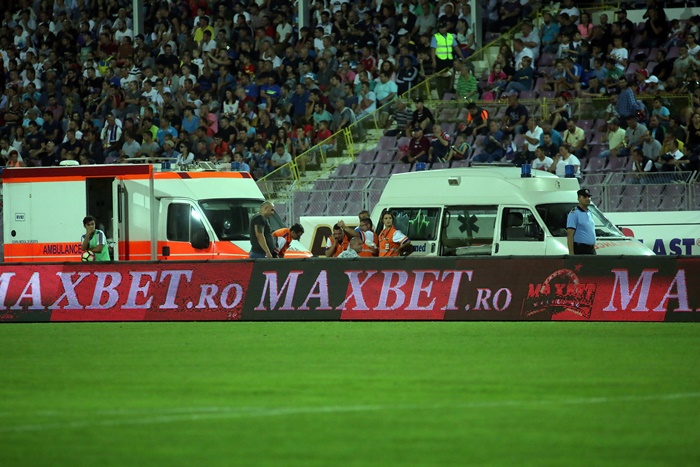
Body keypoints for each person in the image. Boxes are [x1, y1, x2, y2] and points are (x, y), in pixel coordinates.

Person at [566, 188, 596, 255]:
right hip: (580, 249)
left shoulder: (589, 213)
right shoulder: (574, 214)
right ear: (579, 198)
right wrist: (571, 253)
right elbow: (570, 234)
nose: (587, 199)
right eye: (584, 197)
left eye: (589, 197)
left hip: (591, 249)